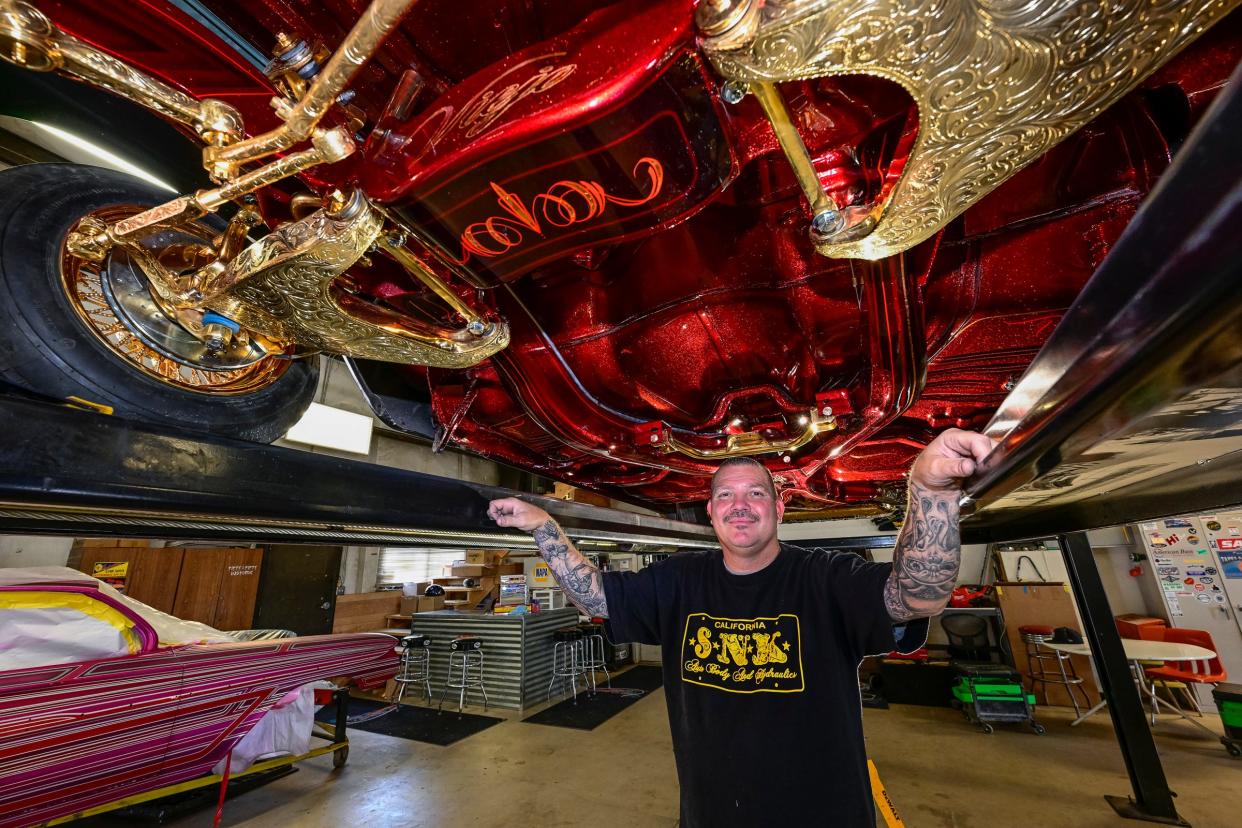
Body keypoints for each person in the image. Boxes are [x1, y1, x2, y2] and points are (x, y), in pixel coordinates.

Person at [488, 428, 995, 827]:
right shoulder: (679, 580)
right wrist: (544, 528)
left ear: (778, 508)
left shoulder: (824, 576)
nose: (740, 504)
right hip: (711, 813)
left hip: (823, 814)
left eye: (756, 492)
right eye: (725, 495)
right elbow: (595, 595)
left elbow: (919, 595)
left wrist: (930, 491)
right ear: (710, 513)